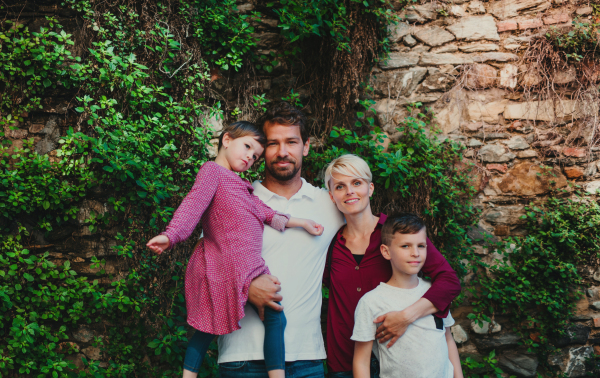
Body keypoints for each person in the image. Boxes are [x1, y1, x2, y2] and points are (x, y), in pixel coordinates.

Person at [146, 121, 324, 378]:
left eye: (255, 156)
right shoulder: (212, 172)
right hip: (227, 263)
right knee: (212, 326)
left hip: (249, 263)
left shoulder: (241, 185)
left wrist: (302, 222)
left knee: (272, 317)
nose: (250, 157)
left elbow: (267, 213)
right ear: (227, 140)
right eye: (247, 147)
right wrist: (170, 235)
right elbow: (193, 205)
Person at [216, 102, 346, 378]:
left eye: (291, 142)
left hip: (306, 358)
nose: (283, 152)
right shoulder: (235, 198)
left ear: (306, 146)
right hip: (242, 358)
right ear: (262, 150)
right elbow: (207, 263)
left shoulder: (330, 205)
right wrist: (247, 287)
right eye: (273, 143)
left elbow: (372, 235)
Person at [322, 154, 461, 377]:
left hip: (396, 357)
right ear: (331, 196)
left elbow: (449, 282)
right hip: (346, 360)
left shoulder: (397, 235)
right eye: (340, 186)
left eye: (357, 183)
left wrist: (406, 316)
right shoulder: (328, 242)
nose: (349, 191)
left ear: (371, 188)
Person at [351, 213, 463, 378]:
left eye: (421, 246)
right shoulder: (371, 302)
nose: (415, 253)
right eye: (405, 246)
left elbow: (447, 339)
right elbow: (361, 361)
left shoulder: (435, 292)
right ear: (386, 252)